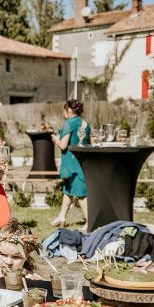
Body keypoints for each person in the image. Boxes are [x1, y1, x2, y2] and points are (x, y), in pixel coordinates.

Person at [51, 99, 90, 232]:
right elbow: (89, 142)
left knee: (80, 194)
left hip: (72, 164)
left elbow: (63, 145)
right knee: (68, 191)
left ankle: (89, 222)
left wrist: (56, 139)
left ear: (69, 110)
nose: (64, 112)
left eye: (65, 110)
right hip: (81, 161)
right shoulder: (85, 123)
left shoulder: (69, 124)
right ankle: (62, 217)